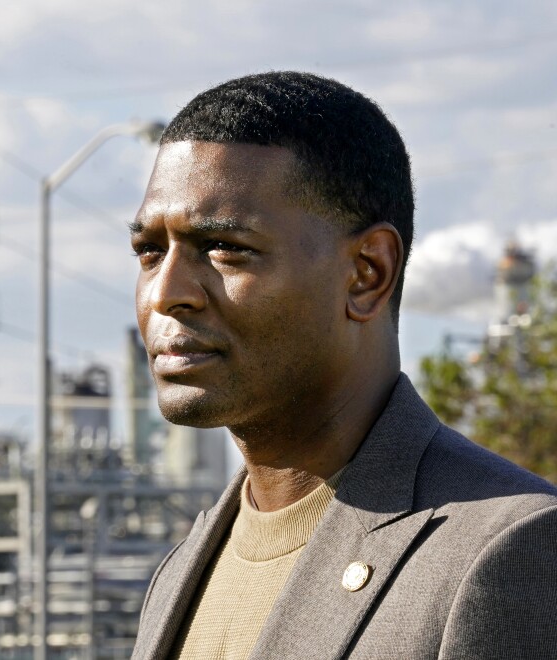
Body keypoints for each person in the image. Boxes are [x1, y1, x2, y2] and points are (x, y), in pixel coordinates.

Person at [128, 71, 557, 660]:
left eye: (227, 248)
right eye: (150, 251)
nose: (165, 293)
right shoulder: (185, 567)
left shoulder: (506, 546)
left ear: (367, 274)